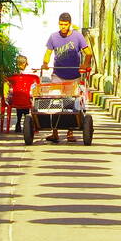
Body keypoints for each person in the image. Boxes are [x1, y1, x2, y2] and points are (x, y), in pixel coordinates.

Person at [40, 12, 92, 143]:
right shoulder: (53, 37)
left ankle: (70, 132)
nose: (63, 27)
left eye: (65, 25)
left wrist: (84, 65)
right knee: (55, 102)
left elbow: (89, 53)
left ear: (69, 24)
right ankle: (55, 132)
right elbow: (48, 54)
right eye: (61, 24)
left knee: (71, 104)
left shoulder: (78, 37)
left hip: (74, 76)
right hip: (58, 75)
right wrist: (45, 64)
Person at [6, 55, 38, 134]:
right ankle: (26, 121)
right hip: (28, 99)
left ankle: (18, 122)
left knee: (18, 99)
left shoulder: (13, 73)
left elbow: (8, 82)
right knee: (26, 99)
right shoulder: (30, 73)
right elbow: (36, 84)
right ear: (25, 63)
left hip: (15, 99)